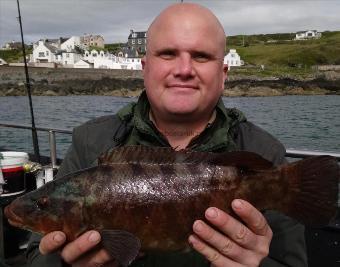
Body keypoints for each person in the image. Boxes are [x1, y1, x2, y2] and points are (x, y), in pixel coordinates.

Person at [26, 3, 307, 267]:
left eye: (201, 56)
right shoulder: (89, 142)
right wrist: (63, 262)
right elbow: (34, 257)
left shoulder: (264, 152)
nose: (184, 70)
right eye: (168, 54)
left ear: (223, 74)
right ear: (145, 67)